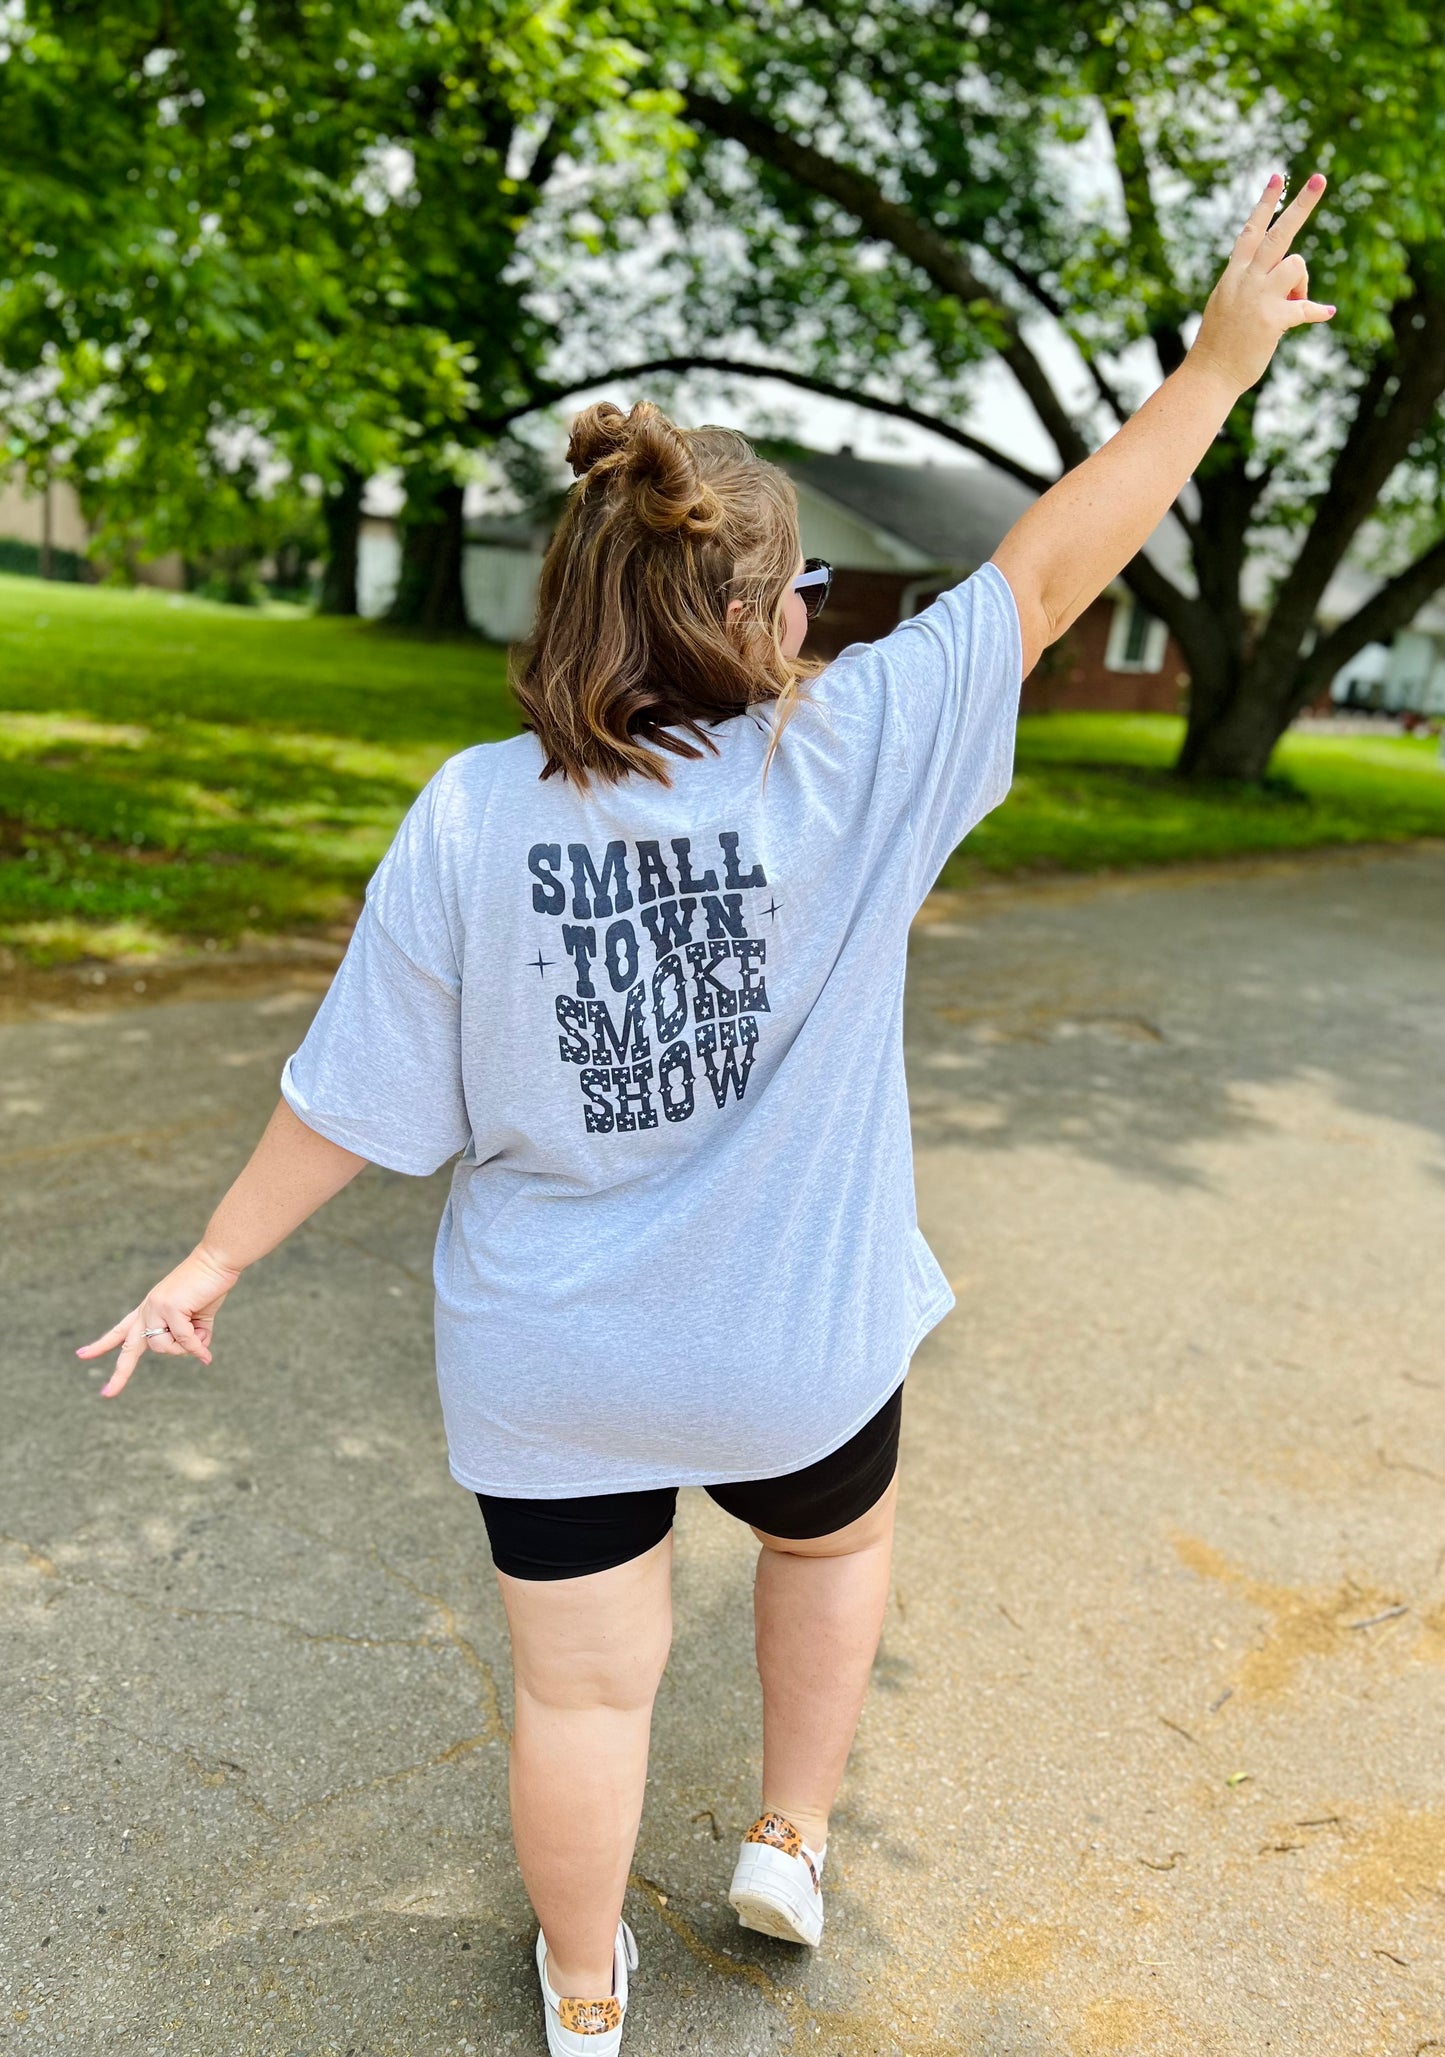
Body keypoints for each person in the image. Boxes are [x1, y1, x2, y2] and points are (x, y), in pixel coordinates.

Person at [79, 172, 1332, 2054]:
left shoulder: (471, 811)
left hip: (551, 1363)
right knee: (827, 1549)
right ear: (757, 613)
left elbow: (350, 1093)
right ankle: (787, 1837)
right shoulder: (853, 754)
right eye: (804, 595)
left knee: (581, 1697)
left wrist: (211, 1258)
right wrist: (1219, 365)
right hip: (788, 1347)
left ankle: (587, 1993)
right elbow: (1051, 571)